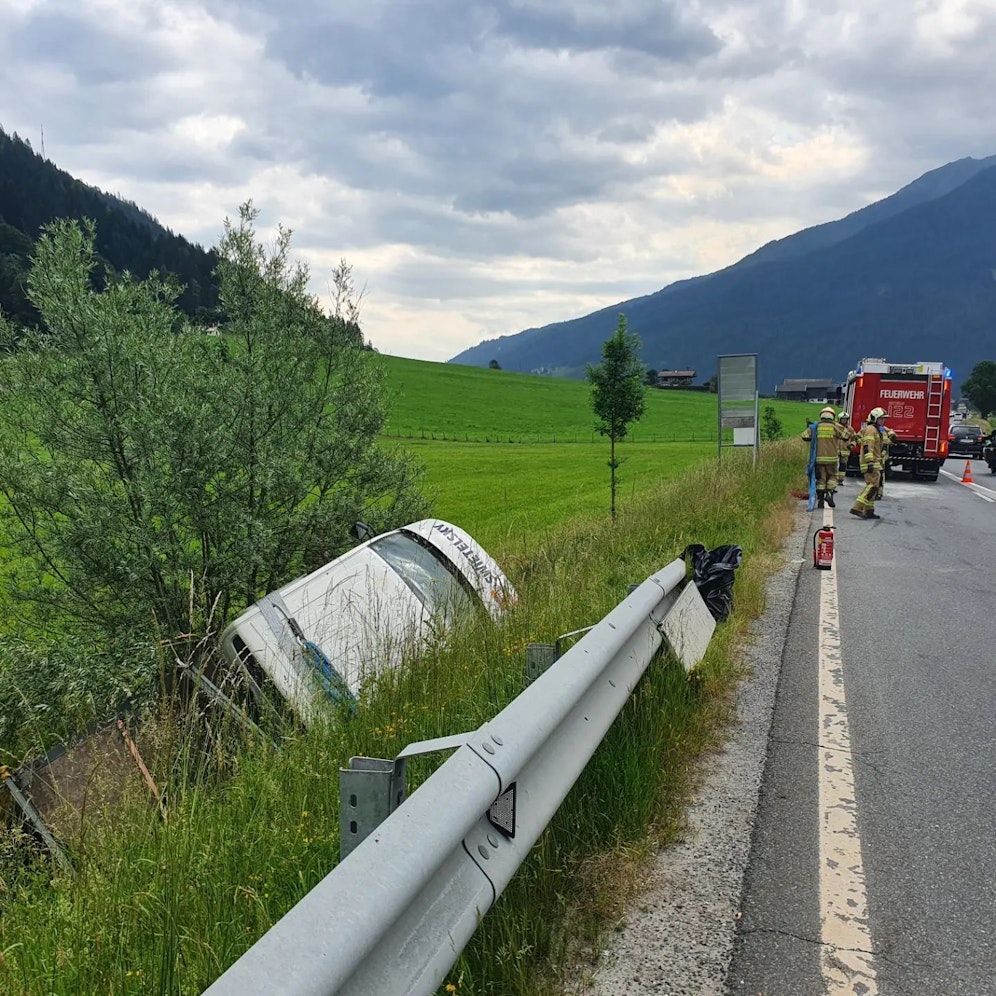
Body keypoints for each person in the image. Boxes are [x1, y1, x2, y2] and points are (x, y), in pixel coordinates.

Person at [850, 407, 888, 519]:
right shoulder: (871, 429)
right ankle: (857, 507)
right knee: (872, 486)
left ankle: (869, 510)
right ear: (874, 418)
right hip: (871, 462)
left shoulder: (878, 429)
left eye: (884, 419)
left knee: (874, 487)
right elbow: (867, 446)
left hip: (876, 461)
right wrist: (870, 462)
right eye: (881, 419)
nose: (883, 421)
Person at [802, 406, 844, 508]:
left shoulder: (815, 427)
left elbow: (804, 436)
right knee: (832, 477)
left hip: (818, 458)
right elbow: (846, 436)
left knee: (821, 478)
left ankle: (820, 499)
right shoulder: (836, 427)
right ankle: (829, 494)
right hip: (832, 459)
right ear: (832, 416)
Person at [875, 424, 898, 500]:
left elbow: (890, 432)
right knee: (873, 477)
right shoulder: (870, 430)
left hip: (882, 458)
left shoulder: (882, 429)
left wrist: (893, 436)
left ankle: (879, 493)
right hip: (873, 457)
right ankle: (874, 492)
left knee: (881, 476)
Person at [836, 411, 855, 487]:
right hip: (836, 450)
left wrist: (852, 445)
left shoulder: (850, 429)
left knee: (843, 466)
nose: (844, 420)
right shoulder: (836, 427)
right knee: (834, 466)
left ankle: (840, 480)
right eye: (842, 419)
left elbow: (855, 439)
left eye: (845, 419)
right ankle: (834, 480)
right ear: (839, 419)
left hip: (845, 451)